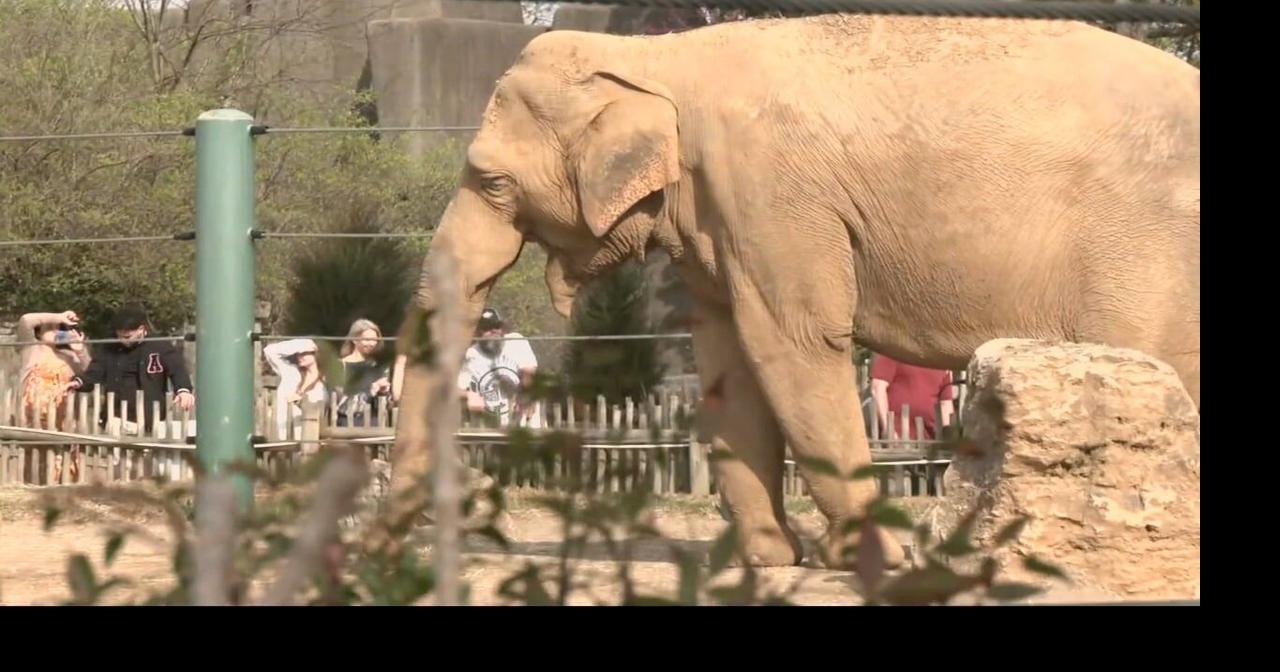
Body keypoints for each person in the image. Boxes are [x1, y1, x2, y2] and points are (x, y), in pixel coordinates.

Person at [70, 304, 193, 434]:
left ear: (141, 329)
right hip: (116, 417)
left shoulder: (160, 345)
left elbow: (177, 369)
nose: (123, 340)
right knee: (116, 453)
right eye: (119, 336)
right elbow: (96, 371)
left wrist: (183, 390)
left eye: (127, 337)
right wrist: (79, 382)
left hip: (151, 418)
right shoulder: (110, 347)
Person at [457, 307, 541, 428]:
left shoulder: (515, 341)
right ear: (477, 332)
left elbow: (529, 373)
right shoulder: (471, 354)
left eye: (496, 326)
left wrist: (526, 394)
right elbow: (454, 389)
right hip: (492, 427)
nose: (493, 331)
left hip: (524, 422)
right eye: (487, 328)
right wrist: (469, 396)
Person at [869, 353, 955, 440]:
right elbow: (878, 389)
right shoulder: (894, 352)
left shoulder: (943, 363)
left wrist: (947, 436)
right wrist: (887, 428)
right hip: (897, 437)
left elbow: (945, 403)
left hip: (930, 438)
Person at [263, 338, 326, 440]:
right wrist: (302, 344)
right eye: (298, 354)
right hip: (280, 434)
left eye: (304, 353)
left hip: (305, 438)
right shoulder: (291, 373)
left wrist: (299, 401)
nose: (299, 357)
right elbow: (270, 350)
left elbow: (319, 409)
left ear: (315, 354)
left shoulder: (323, 383)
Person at [332, 318, 392, 427]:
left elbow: (384, 406)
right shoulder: (341, 366)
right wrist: (371, 390)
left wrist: (383, 393)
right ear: (354, 340)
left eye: (375, 340)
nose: (372, 343)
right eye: (367, 339)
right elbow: (343, 407)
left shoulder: (379, 368)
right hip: (348, 427)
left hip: (376, 427)